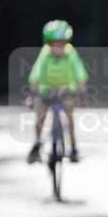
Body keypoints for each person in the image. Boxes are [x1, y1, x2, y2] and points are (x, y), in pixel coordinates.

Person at [27, 20, 88, 164]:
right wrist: (31, 95)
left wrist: (83, 94)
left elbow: (80, 75)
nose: (58, 47)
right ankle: (37, 144)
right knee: (40, 115)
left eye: (62, 43)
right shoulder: (44, 54)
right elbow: (35, 75)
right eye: (54, 44)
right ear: (48, 44)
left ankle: (73, 147)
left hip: (66, 89)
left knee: (69, 115)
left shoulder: (71, 53)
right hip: (47, 90)